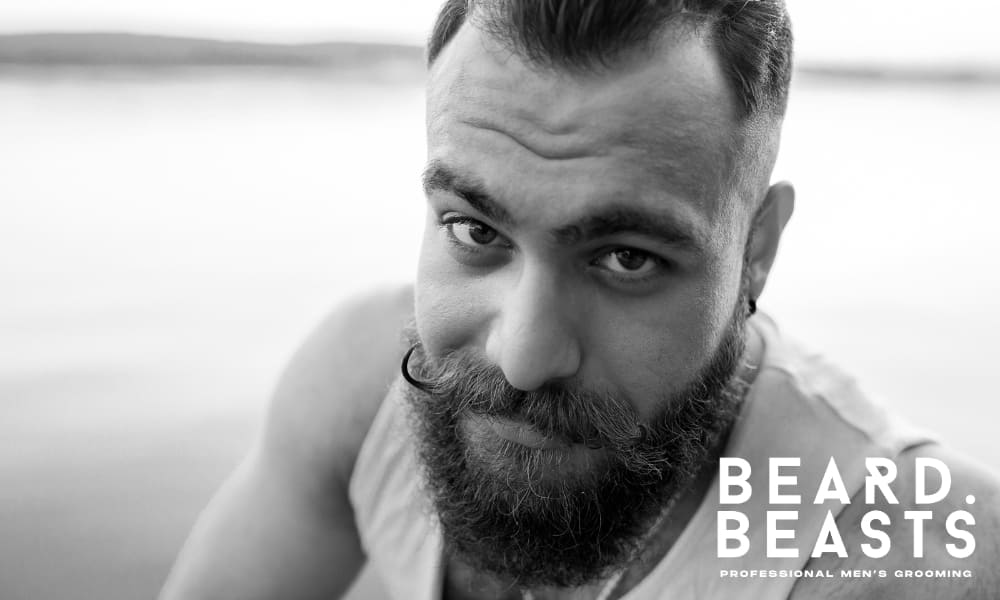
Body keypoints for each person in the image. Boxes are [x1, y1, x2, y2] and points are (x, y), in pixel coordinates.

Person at [160, 1, 1000, 598]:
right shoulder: (358, 385)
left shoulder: (907, 558)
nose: (523, 357)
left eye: (626, 257)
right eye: (475, 231)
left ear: (756, 253)